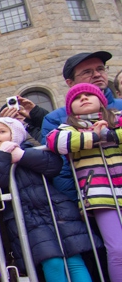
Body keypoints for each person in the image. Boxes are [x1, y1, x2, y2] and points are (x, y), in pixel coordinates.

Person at [0, 117, 113, 282]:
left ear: (15, 134)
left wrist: (22, 155)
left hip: (55, 211)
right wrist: (3, 156)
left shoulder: (32, 149)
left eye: (1, 131)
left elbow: (53, 165)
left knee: (73, 258)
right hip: (26, 219)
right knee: (50, 260)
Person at [46, 85, 122, 282]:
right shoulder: (69, 128)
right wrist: (95, 137)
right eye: (77, 98)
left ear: (101, 99)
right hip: (100, 195)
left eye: (88, 95)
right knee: (117, 248)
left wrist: (108, 133)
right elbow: (56, 142)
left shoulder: (117, 120)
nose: (84, 98)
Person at [40, 51, 122, 196]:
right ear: (70, 83)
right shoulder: (54, 119)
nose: (97, 75)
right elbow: (61, 168)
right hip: (97, 200)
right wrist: (76, 202)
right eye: (87, 72)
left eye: (100, 69)